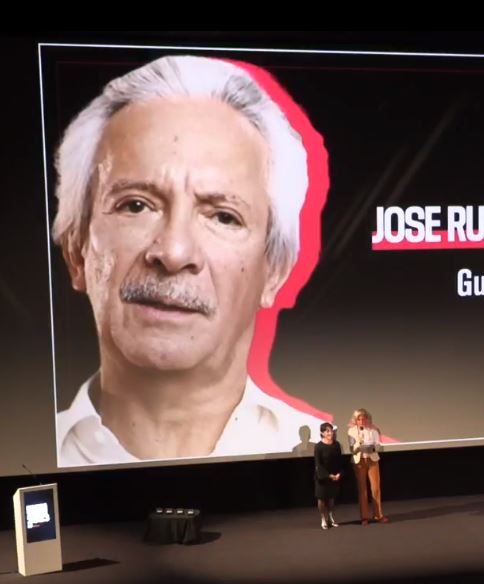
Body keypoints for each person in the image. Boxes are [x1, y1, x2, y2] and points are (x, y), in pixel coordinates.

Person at [52, 55, 328, 465]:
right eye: (136, 205)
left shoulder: (325, 459)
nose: (174, 252)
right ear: (76, 249)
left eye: (223, 216)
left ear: (274, 271)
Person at [347, 408, 389, 525]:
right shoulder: (351, 431)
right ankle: (364, 517)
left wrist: (373, 448)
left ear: (367, 419)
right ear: (355, 420)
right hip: (359, 461)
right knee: (362, 489)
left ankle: (378, 515)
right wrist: (358, 443)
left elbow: (378, 446)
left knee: (376, 488)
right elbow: (352, 450)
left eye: (363, 419)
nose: (361, 421)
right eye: (359, 419)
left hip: (372, 460)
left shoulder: (373, 430)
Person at [314, 422, 343, 529]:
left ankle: (330, 518)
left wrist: (339, 473)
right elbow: (318, 464)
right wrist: (328, 475)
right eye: (327, 431)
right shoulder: (318, 446)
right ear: (322, 433)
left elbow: (340, 461)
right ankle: (323, 519)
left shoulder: (336, 444)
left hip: (335, 476)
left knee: (331, 498)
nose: (330, 433)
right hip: (322, 477)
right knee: (321, 498)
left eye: (331, 431)